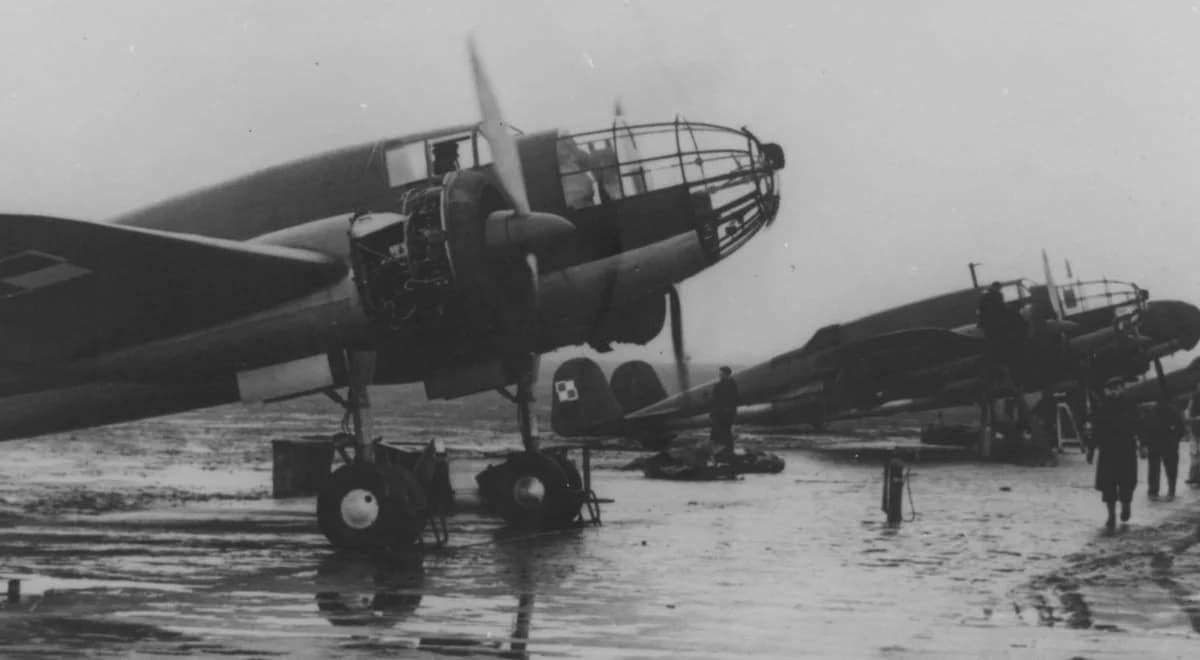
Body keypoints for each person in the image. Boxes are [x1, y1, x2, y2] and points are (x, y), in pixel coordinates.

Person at [1090, 380, 1140, 530]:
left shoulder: (1130, 405)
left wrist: (1143, 444)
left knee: (1127, 482)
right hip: (1108, 451)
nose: (1112, 392)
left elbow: (1138, 424)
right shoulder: (1102, 407)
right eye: (1109, 389)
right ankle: (1111, 515)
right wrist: (1091, 449)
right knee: (1108, 485)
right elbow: (1096, 429)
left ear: (1122, 389)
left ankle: (1126, 506)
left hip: (1126, 450)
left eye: (1116, 388)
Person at [710, 366, 740, 457]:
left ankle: (728, 453)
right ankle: (718, 453)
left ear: (726, 373)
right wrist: (713, 413)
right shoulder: (717, 386)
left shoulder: (732, 385)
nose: (719, 374)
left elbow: (734, 400)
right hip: (718, 414)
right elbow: (714, 401)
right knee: (717, 434)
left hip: (727, 415)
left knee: (726, 434)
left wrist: (731, 412)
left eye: (721, 372)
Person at [1186, 386, 1200, 486]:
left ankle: (1194, 477)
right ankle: (1194, 476)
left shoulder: (1194, 396)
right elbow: (1189, 411)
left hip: (1195, 428)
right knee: (1195, 454)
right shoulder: (1194, 396)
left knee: (1195, 454)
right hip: (1195, 429)